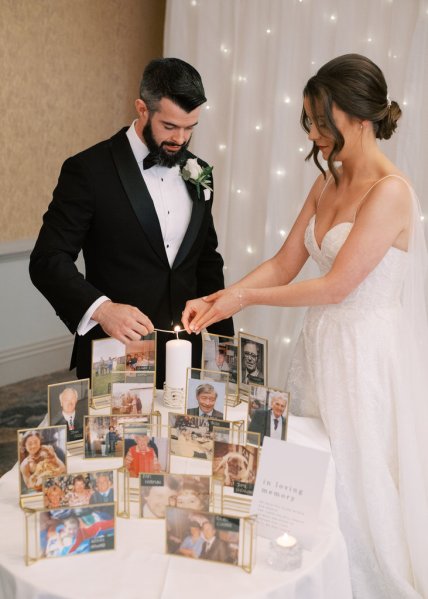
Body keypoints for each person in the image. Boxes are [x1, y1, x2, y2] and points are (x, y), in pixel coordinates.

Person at [182, 53, 428, 598]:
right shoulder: (326, 182)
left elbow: (338, 286)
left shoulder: (391, 193)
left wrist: (247, 295)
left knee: (358, 479)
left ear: (361, 119)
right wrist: (224, 298)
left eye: (324, 122)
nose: (315, 135)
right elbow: (286, 261)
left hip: (364, 354)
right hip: (319, 347)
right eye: (311, 123)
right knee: (308, 467)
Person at [29, 57, 234, 388]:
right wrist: (103, 310)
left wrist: (227, 351)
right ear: (142, 109)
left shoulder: (200, 172)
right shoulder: (88, 170)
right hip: (115, 354)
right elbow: (47, 260)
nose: (181, 140)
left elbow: (207, 261)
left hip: (185, 356)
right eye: (169, 126)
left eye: (190, 128)